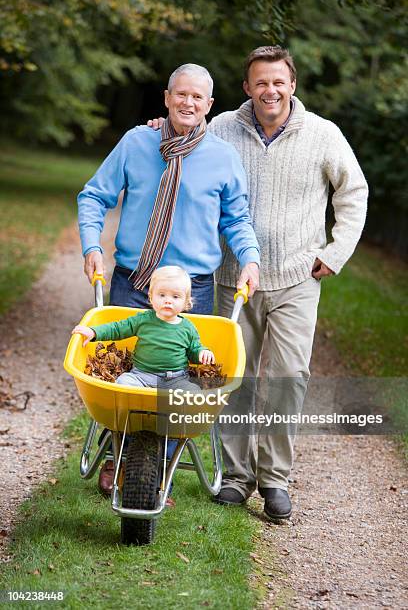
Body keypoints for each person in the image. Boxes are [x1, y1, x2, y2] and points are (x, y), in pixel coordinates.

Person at [148, 45, 368, 519]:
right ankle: (236, 476)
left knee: (288, 376)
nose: (270, 90)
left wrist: (335, 254)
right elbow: (179, 135)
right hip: (233, 278)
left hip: (296, 277)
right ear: (247, 87)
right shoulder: (222, 127)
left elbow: (354, 192)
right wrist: (156, 127)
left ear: (292, 85)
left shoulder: (324, 135)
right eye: (260, 82)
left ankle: (275, 480)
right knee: (232, 377)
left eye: (279, 81)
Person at [77, 62, 260, 495]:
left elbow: (237, 219)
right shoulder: (136, 142)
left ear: (209, 106)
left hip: (191, 289)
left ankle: (151, 465)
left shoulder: (222, 157)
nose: (188, 102)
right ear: (166, 97)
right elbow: (94, 195)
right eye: (181, 94)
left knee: (177, 381)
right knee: (122, 377)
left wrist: (250, 257)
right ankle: (117, 453)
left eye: (198, 97)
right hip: (133, 281)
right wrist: (91, 245)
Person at [72, 266, 215, 390]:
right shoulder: (144, 320)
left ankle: (176, 420)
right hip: (141, 376)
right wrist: (94, 332)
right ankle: (131, 416)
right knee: (123, 382)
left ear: (186, 303)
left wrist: (202, 353)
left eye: (175, 297)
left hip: (176, 379)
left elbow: (193, 350)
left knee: (193, 391)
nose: (168, 300)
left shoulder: (187, 328)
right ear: (151, 297)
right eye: (162, 294)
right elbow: (118, 328)